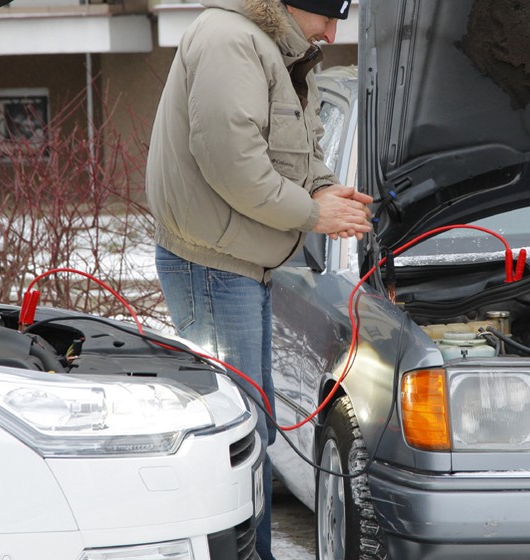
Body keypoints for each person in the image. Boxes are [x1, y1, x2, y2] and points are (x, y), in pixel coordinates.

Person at [144, 0, 372, 558]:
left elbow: (299, 143)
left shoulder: (275, 47)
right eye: (327, 14)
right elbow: (231, 161)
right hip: (213, 267)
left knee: (251, 425)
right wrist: (312, 214)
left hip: (238, 263)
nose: (332, 30)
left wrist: (322, 186)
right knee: (233, 434)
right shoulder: (230, 41)